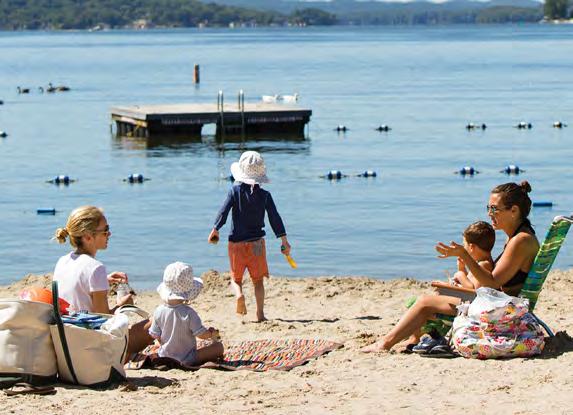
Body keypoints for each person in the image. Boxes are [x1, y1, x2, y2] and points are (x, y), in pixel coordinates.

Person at [361, 181, 539, 353]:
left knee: (424, 302)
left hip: (502, 311)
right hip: (501, 304)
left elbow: (492, 283)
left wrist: (464, 255)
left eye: (494, 209)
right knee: (436, 296)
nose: (489, 213)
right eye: (488, 208)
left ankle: (384, 344)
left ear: (514, 210)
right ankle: (412, 339)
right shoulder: (519, 237)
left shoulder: (521, 240)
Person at [53, 205, 153, 357]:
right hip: (92, 349)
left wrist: (103, 281)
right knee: (158, 321)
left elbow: (77, 285)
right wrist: (122, 306)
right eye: (105, 230)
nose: (109, 234)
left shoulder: (63, 261)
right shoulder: (95, 268)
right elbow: (104, 321)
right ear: (88, 237)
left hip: (66, 345)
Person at [208, 151, 291, 322]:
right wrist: (284, 240)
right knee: (258, 281)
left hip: (236, 244)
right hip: (257, 244)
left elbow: (223, 211)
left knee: (236, 279)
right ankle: (260, 314)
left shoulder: (234, 191)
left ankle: (239, 295)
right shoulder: (265, 196)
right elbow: (275, 218)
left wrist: (216, 228)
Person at [148, 262, 224, 365]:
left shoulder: (158, 311)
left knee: (159, 344)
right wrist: (211, 333)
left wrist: (162, 342)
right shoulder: (189, 313)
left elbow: (155, 334)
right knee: (218, 347)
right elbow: (201, 334)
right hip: (187, 358)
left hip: (165, 356)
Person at [449, 221, 495, 289]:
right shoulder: (481, 263)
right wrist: (462, 268)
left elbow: (473, 289)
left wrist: (460, 274)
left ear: (471, 247)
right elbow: (470, 281)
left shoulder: (484, 265)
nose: (464, 247)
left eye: (464, 245)